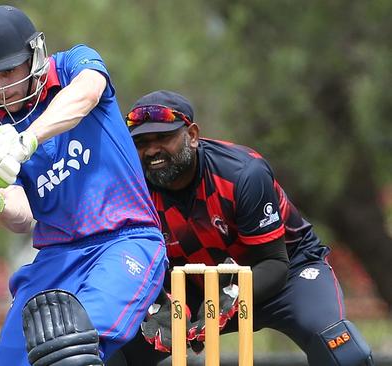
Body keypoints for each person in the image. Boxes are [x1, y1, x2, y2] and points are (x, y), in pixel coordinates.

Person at [0, 5, 168, 366]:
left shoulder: (75, 64)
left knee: (72, 350)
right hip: (56, 257)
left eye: (8, 71)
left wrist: (27, 140)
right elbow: (23, 216)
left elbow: (87, 93)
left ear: (34, 55)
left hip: (126, 241)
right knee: (13, 358)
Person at [111, 90, 374, 366]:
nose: (152, 150)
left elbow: (273, 262)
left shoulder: (243, 174)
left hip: (286, 275)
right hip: (199, 292)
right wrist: (158, 302)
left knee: (344, 353)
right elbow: (138, 264)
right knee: (110, 354)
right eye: (141, 142)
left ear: (192, 135)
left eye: (163, 138)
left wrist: (232, 296)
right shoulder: (133, 191)